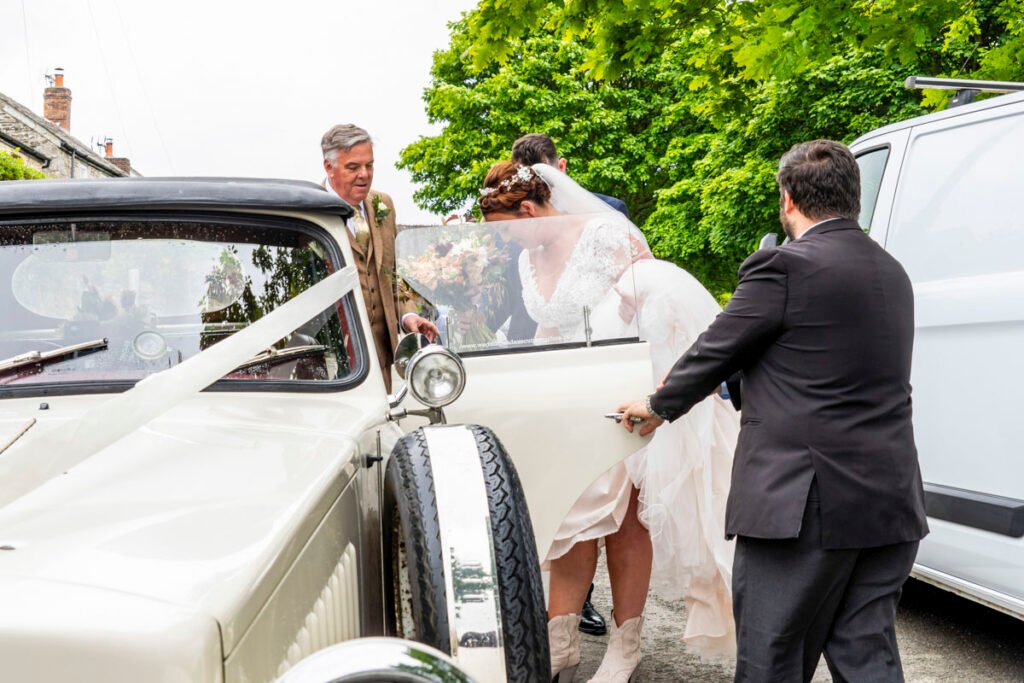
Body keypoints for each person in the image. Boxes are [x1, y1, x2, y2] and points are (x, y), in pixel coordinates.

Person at [618, 140, 929, 683]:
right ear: (853, 198)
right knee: (866, 655)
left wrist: (657, 405)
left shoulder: (784, 266)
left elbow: (717, 347)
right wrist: (729, 386)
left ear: (788, 199)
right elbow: (821, 359)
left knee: (771, 656)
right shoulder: (892, 270)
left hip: (803, 504)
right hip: (889, 498)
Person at [479, 161, 739, 682]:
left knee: (625, 520)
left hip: (622, 390)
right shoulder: (528, 260)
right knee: (572, 518)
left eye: (507, 231)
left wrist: (635, 347)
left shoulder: (603, 235)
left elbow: (656, 295)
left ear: (527, 210)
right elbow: (547, 327)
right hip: (565, 396)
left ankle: (625, 646)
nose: (506, 243)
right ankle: (561, 642)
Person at [510, 134, 629, 630]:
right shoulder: (522, 246)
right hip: (554, 375)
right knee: (561, 496)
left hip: (606, 374)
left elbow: (637, 294)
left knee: (612, 504)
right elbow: (536, 311)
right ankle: (561, 615)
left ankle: (602, 615)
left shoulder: (607, 220)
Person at [320, 124, 437, 389]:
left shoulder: (384, 205)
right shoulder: (311, 211)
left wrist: (408, 316)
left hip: (384, 358)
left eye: (369, 165)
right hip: (334, 360)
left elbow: (393, 274)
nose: (364, 175)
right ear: (329, 167)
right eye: (353, 167)